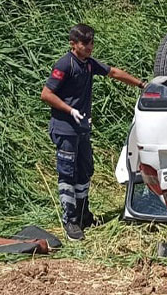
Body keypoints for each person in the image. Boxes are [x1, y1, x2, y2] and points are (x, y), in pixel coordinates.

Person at [41, 24, 144, 241]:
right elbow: (46, 93)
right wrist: (70, 110)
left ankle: (83, 213)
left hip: (82, 128)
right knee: (67, 173)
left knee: (85, 170)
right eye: (84, 44)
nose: (89, 47)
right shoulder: (65, 64)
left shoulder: (88, 64)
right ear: (73, 44)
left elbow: (113, 72)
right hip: (65, 128)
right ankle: (70, 220)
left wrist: (141, 84)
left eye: (91, 43)